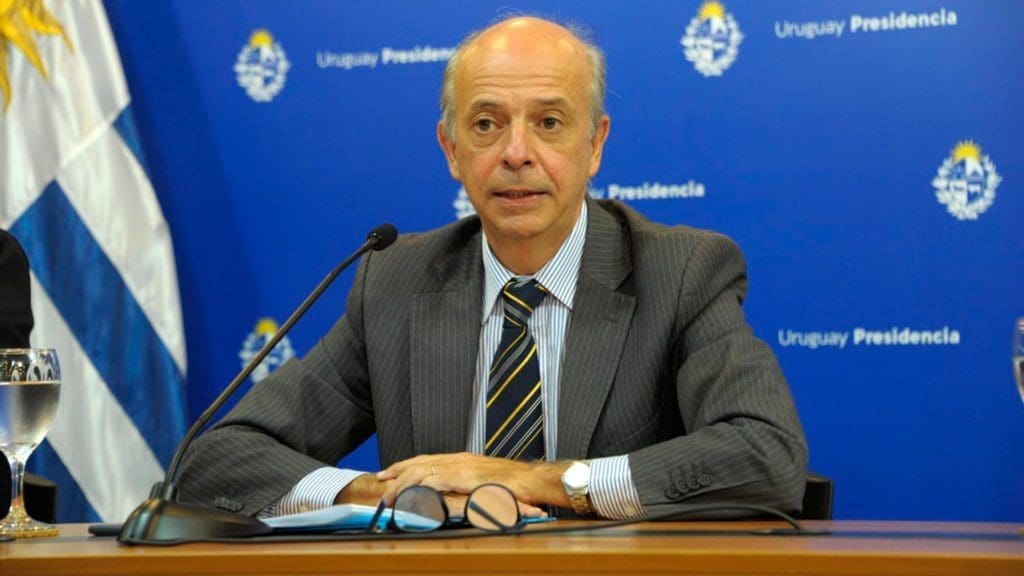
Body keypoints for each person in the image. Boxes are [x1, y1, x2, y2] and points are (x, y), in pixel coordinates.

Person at [178, 16, 807, 520]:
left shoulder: (681, 272)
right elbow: (217, 460)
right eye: (486, 124)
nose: (516, 153)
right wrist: (386, 496)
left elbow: (766, 453)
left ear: (594, 145)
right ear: (452, 150)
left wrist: (528, 480)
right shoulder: (396, 282)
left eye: (549, 123)